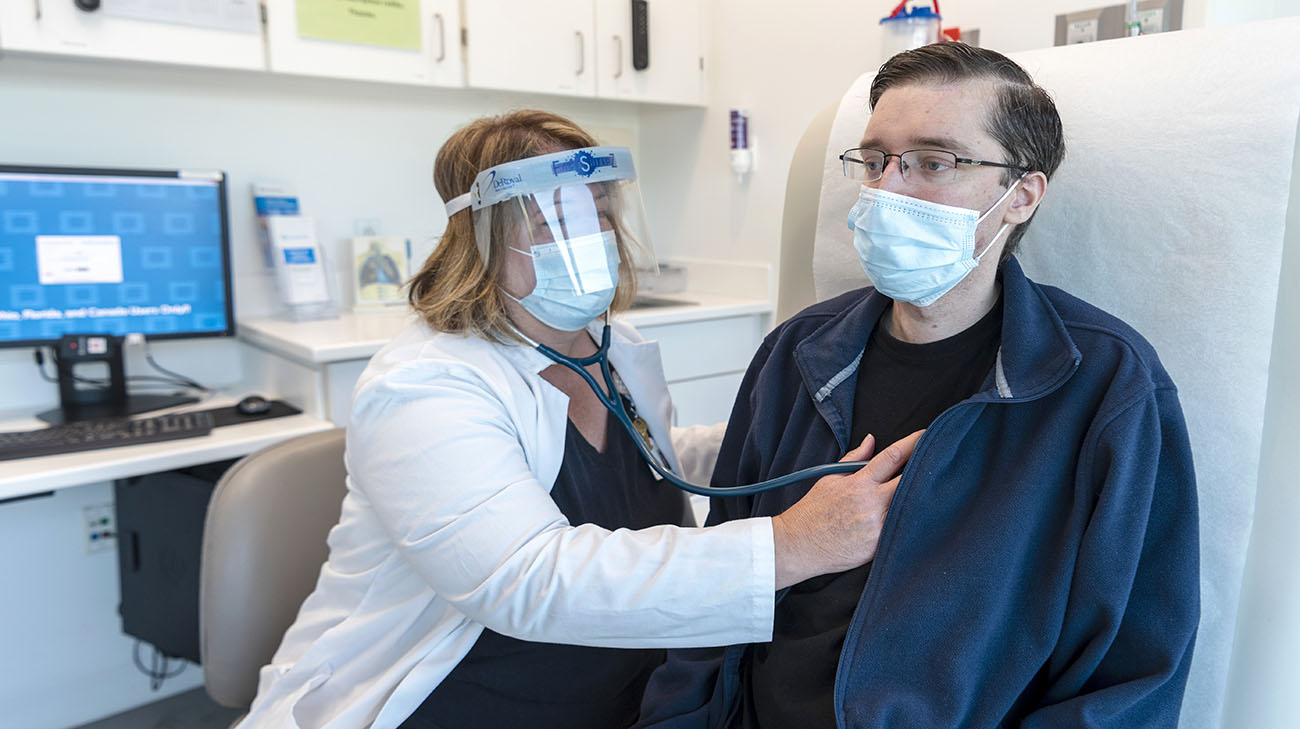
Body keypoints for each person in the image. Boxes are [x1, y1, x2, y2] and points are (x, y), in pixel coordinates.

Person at [238, 109, 921, 729]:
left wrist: (777, 437)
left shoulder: (606, 344)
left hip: (634, 692)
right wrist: (793, 543)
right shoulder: (426, 384)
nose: (591, 234)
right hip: (456, 697)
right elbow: (529, 579)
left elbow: (640, 463)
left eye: (596, 210)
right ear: (478, 237)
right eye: (551, 220)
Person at [637, 43, 1200, 729]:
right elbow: (714, 590)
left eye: (934, 163)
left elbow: (1132, 680)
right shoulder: (797, 355)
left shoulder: (1106, 389)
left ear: (1021, 195)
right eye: (875, 161)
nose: (888, 190)